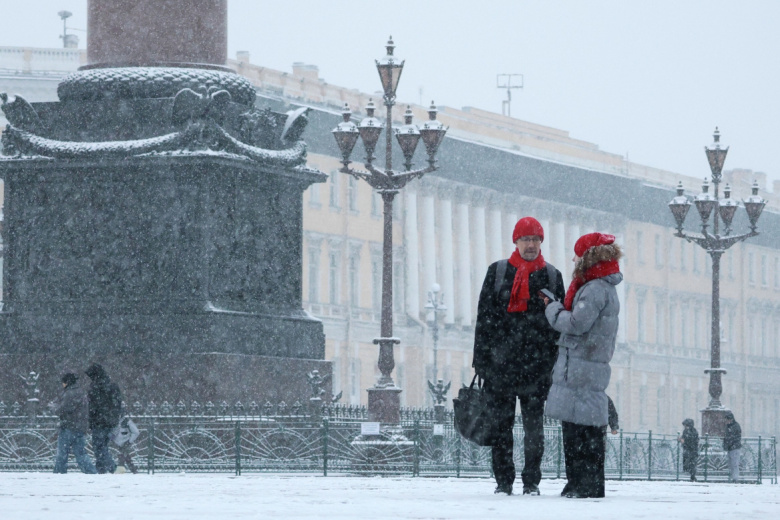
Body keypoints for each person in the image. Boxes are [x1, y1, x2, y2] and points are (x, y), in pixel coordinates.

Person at [472, 217, 565, 496]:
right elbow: (484, 318)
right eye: (526, 239)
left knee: (534, 430)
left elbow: (558, 325)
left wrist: (553, 363)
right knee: (502, 427)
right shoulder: (498, 272)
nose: (531, 245)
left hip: (536, 369)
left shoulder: (551, 276)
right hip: (500, 367)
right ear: (515, 241)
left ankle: (531, 481)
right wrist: (481, 362)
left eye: (536, 239)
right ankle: (503, 481)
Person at [542, 232, 623, 499]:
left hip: (581, 367)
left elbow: (577, 324)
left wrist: (552, 308)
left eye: (577, 254)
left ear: (587, 257)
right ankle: (583, 484)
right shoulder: (602, 287)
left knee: (579, 432)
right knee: (585, 429)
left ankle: (582, 484)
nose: (574, 259)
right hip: (586, 365)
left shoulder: (594, 288)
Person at [50, 373, 97, 474]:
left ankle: (59, 473)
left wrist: (53, 407)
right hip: (80, 427)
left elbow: (62, 409)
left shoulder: (69, 393)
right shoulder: (81, 392)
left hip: (68, 426)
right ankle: (91, 472)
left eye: (63, 382)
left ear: (67, 382)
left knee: (62, 453)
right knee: (81, 453)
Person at [85, 363, 122, 474]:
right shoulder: (112, 385)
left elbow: (92, 406)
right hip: (110, 421)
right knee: (102, 447)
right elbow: (118, 403)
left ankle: (113, 469)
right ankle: (101, 471)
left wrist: (91, 420)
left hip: (99, 422)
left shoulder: (95, 387)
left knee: (99, 448)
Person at [723, 412, 742, 483]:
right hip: (731, 447)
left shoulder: (735, 426)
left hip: (734, 447)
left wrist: (730, 443)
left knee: (734, 464)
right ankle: (733, 477)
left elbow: (735, 437)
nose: (726, 421)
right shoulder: (729, 426)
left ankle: (735, 478)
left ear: (730, 419)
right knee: (731, 464)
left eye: (727, 419)